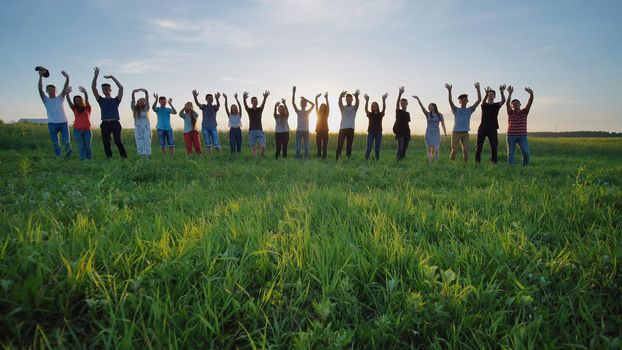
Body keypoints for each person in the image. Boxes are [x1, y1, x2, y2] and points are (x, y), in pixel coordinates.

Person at [91, 67, 127, 159]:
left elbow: (121, 88)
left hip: (115, 123)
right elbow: (93, 88)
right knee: (106, 142)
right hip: (105, 123)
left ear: (110, 90)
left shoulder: (116, 100)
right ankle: (109, 158)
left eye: (106, 89)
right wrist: (96, 76)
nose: (104, 90)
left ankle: (124, 158)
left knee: (118, 141)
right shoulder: (100, 100)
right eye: (103, 89)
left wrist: (112, 77)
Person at [37, 69, 72, 157]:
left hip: (63, 123)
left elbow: (65, 87)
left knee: (66, 142)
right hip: (52, 124)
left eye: (53, 89)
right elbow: (39, 89)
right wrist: (40, 76)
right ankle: (58, 157)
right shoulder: (46, 100)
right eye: (49, 89)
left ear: (55, 91)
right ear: (47, 91)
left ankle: (68, 156)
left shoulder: (60, 98)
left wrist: (67, 78)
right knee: (55, 143)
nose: (51, 91)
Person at [445, 82, 481, 162]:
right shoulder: (456, 109)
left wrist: (478, 89)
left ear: (467, 101)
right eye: (462, 100)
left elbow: (479, 100)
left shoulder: (470, 110)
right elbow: (450, 101)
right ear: (459, 101)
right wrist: (449, 90)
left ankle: (465, 166)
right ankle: (452, 164)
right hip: (456, 132)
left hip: (465, 133)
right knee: (454, 150)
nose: (464, 101)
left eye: (465, 99)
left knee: (465, 151)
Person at [475, 85, 506, 164]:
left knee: (494, 147)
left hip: (493, 129)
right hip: (482, 128)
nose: (490, 95)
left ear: (494, 96)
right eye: (489, 94)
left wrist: (502, 92)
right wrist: (485, 94)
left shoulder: (496, 105)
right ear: (487, 96)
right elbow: (483, 101)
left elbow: (503, 101)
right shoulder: (484, 105)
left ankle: (494, 162)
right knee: (479, 147)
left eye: (492, 94)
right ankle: (477, 162)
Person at [413, 96, 447, 162]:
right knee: (429, 149)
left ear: (434, 107)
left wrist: (445, 134)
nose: (429, 107)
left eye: (430, 106)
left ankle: (436, 163)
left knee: (436, 149)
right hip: (429, 133)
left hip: (436, 133)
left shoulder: (440, 115)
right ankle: (430, 163)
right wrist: (418, 99)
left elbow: (443, 125)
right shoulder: (427, 114)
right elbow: (422, 107)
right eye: (428, 106)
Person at [506, 86, 534, 166]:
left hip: (522, 136)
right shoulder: (510, 112)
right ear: (512, 106)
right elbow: (507, 103)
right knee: (511, 153)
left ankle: (525, 166)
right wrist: (510, 93)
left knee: (526, 152)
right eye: (513, 104)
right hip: (511, 135)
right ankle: (511, 168)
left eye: (517, 103)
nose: (515, 105)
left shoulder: (524, 112)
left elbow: (529, 102)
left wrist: (531, 94)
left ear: (520, 104)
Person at [65, 86, 91, 160]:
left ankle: (89, 159)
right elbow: (69, 102)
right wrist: (67, 94)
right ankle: (83, 159)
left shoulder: (87, 108)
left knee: (87, 146)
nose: (78, 102)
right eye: (76, 100)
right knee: (80, 146)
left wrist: (85, 93)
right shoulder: (74, 109)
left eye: (80, 100)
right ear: (75, 102)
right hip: (77, 130)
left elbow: (87, 99)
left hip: (87, 130)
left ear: (82, 101)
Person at [193, 90, 221, 154]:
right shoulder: (204, 106)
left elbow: (218, 105)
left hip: (213, 126)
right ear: (206, 99)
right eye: (209, 98)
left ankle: (220, 154)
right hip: (205, 127)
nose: (210, 99)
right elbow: (197, 104)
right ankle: (209, 156)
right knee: (208, 143)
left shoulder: (214, 107)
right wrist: (195, 97)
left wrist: (217, 99)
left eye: (211, 98)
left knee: (216, 143)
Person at [243, 90, 270, 158]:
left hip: (259, 130)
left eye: (256, 101)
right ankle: (255, 160)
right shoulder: (249, 110)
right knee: (253, 148)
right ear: (251, 102)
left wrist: (265, 98)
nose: (255, 102)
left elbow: (263, 105)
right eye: (254, 101)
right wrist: (244, 99)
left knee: (263, 146)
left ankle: (261, 157)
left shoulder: (259, 110)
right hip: (251, 131)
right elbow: (245, 106)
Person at [292, 86, 315, 160]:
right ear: (300, 104)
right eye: (302, 102)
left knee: (306, 147)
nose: (303, 103)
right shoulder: (298, 111)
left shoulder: (308, 112)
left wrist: (306, 99)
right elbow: (293, 103)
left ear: (306, 104)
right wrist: (294, 92)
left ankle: (306, 158)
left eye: (304, 102)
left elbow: (313, 105)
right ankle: (297, 158)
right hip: (299, 131)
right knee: (298, 147)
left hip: (306, 131)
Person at [336, 89, 360, 160]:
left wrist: (356, 97)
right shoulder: (343, 108)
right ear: (346, 100)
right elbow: (339, 103)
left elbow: (357, 104)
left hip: (351, 129)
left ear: (352, 100)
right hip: (342, 129)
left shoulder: (354, 108)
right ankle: (338, 158)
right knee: (340, 144)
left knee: (349, 145)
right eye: (347, 99)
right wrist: (340, 96)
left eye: (350, 99)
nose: (349, 100)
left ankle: (348, 157)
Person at [363, 93, 388, 160]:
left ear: (377, 106)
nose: (374, 106)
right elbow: (365, 109)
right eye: (373, 105)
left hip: (379, 132)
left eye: (375, 105)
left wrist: (383, 100)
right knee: (369, 147)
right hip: (371, 132)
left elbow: (384, 109)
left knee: (377, 148)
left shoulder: (380, 114)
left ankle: (377, 160)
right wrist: (367, 101)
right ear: (372, 107)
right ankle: (366, 158)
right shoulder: (370, 114)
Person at [131, 88, 152, 158]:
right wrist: (133, 93)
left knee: (147, 142)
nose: (142, 102)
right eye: (140, 101)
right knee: (139, 142)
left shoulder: (146, 109)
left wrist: (146, 92)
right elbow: (133, 100)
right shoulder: (134, 109)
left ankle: (147, 156)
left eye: (143, 101)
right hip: (138, 127)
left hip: (146, 127)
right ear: (137, 102)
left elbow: (147, 99)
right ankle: (142, 156)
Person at [393, 87, 411, 161]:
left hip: (406, 132)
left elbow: (407, 124)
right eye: (401, 103)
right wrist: (399, 94)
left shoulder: (407, 113)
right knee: (401, 147)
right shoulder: (398, 111)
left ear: (407, 104)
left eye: (404, 103)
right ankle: (398, 160)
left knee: (405, 147)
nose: (402, 104)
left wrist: (409, 133)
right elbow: (397, 104)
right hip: (400, 132)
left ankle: (402, 159)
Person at [314, 92, 330, 159]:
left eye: (324, 107)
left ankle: (324, 157)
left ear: (325, 108)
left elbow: (328, 107)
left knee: (325, 146)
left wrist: (326, 99)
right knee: (319, 146)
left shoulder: (326, 115)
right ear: (320, 108)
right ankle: (319, 157)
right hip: (319, 131)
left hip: (325, 131)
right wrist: (316, 98)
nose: (323, 107)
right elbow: (316, 106)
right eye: (322, 106)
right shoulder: (318, 114)